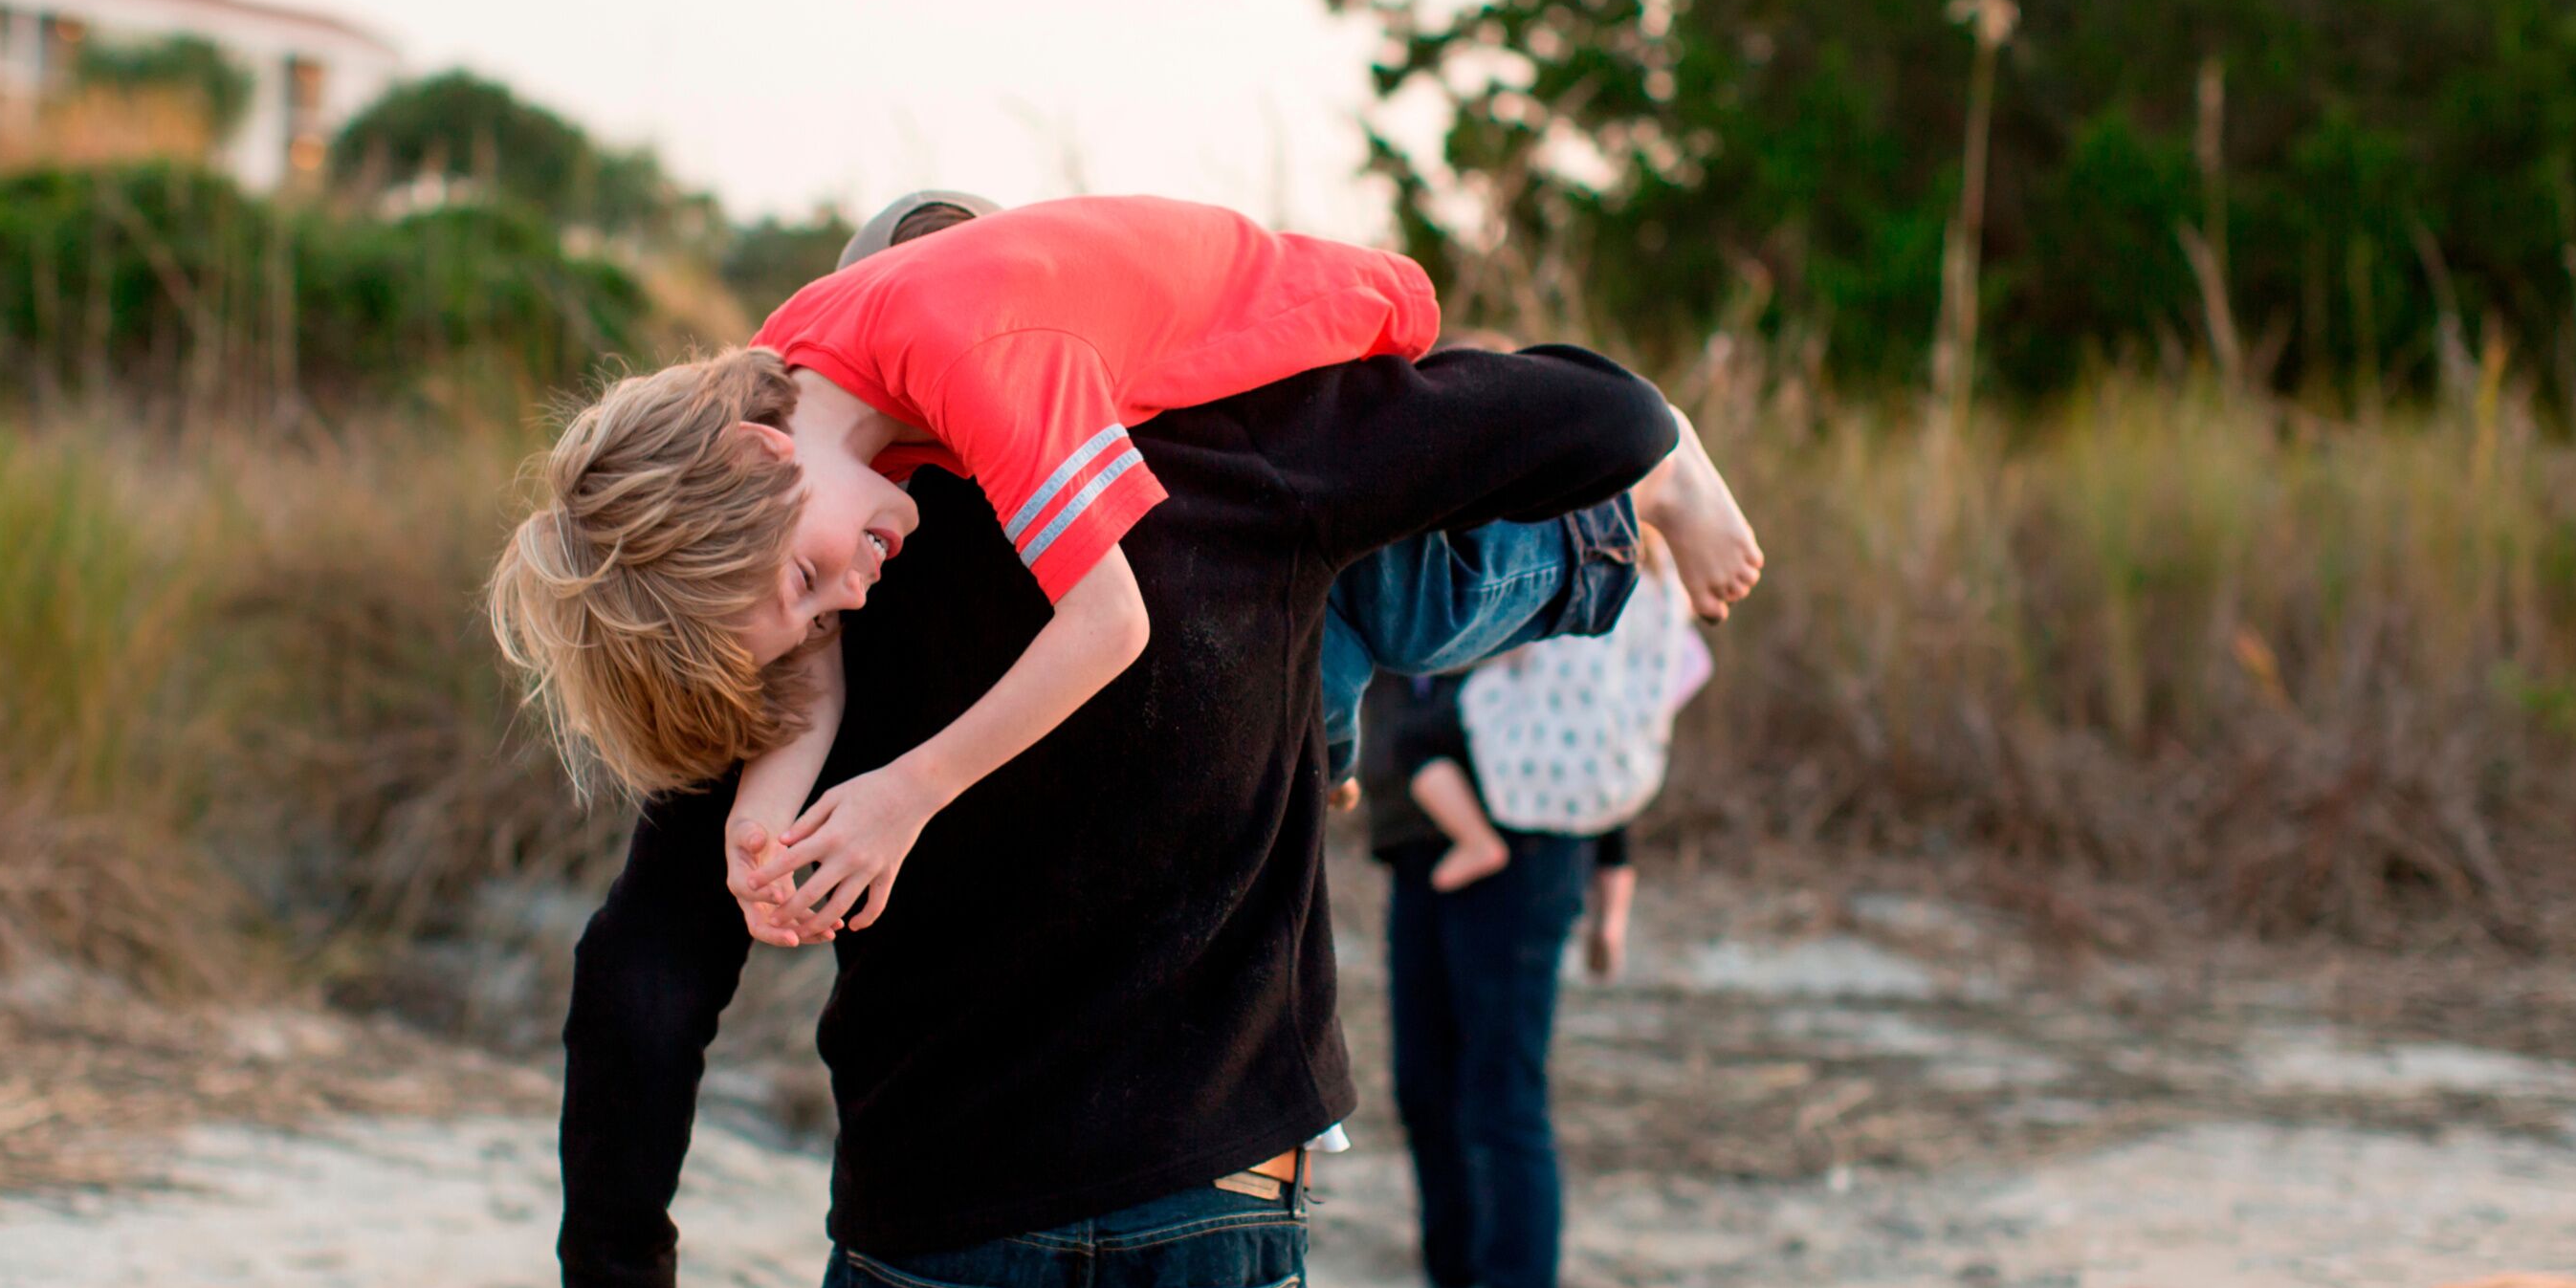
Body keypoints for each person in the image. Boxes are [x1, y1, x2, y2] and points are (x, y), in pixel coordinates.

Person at [551, 338, 1680, 1288]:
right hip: (1221, 1203)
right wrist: (1661, 487)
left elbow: (644, 969)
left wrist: (622, 1272)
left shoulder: (800, 573)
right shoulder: (1228, 454)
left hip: (944, 1223)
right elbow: (1582, 426)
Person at [488, 194, 1763, 945]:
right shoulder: (801, 385)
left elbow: (1109, 625)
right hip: (1159, 385)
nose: (848, 601)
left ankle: (1649, 485)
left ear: (757, 457)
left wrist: (907, 795)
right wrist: (763, 820)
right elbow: (810, 651)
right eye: (814, 605)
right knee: (1302, 661)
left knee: (1418, 604)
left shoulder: (968, 357)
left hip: (1299, 339)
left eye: (806, 582)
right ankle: (1326, 732)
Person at [1334, 529, 1709, 1288]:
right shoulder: (1447, 531)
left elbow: (1598, 718)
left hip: (1529, 845)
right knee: (1427, 1085)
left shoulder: (1559, 539)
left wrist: (1611, 882)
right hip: (1424, 846)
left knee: (1503, 1095)